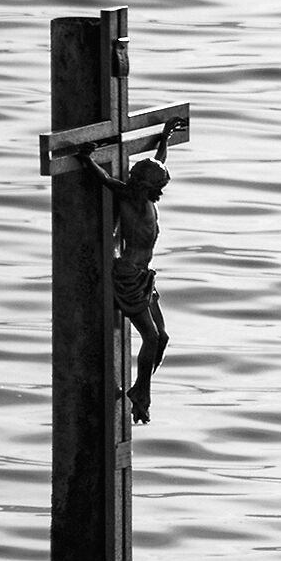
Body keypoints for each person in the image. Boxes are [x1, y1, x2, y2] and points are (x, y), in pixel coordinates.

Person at [79, 118, 184, 423]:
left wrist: (164, 136)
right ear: (144, 185)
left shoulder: (148, 198)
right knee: (150, 338)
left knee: (162, 338)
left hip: (145, 276)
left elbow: (159, 159)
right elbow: (107, 182)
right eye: (157, 186)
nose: (160, 191)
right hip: (126, 276)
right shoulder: (133, 198)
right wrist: (86, 159)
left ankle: (140, 388)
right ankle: (143, 395)